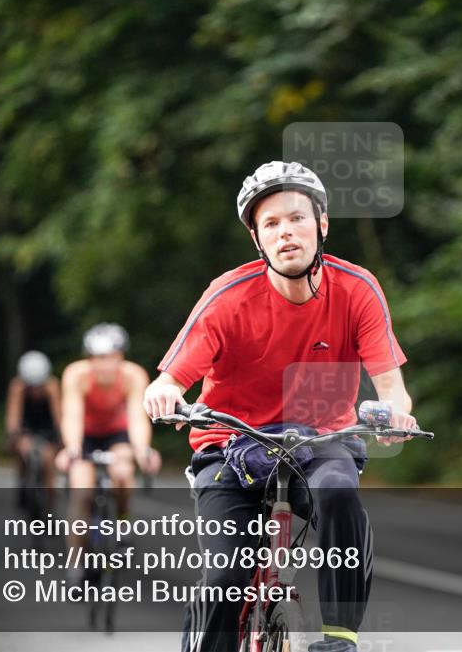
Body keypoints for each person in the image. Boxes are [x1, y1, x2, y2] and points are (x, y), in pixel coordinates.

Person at [144, 161, 419, 652]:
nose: (285, 232)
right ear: (257, 238)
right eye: (270, 224)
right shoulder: (227, 297)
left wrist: (395, 413)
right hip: (230, 445)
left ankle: (338, 638)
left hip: (321, 440)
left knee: (338, 492)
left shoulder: (357, 289)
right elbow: (171, 378)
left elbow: (391, 387)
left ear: (323, 224)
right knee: (226, 574)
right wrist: (164, 393)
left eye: (297, 218)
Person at [55, 323, 160, 574]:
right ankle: (76, 562)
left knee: (122, 473)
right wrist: (71, 448)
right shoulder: (76, 374)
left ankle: (123, 520)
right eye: (97, 358)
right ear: (89, 358)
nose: (104, 365)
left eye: (110, 358)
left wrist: (143, 449)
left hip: (117, 434)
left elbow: (137, 417)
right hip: (85, 434)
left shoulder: (133, 375)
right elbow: (71, 414)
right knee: (81, 491)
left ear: (120, 357)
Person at [6, 350, 62, 507]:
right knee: (23, 449)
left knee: (49, 462)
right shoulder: (18, 387)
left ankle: (50, 506)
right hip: (27, 426)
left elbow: (58, 415)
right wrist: (13, 433)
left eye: (39, 385)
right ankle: (23, 481)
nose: (36, 390)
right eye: (32, 386)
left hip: (47, 425)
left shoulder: (52, 386)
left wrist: (61, 435)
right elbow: (13, 414)